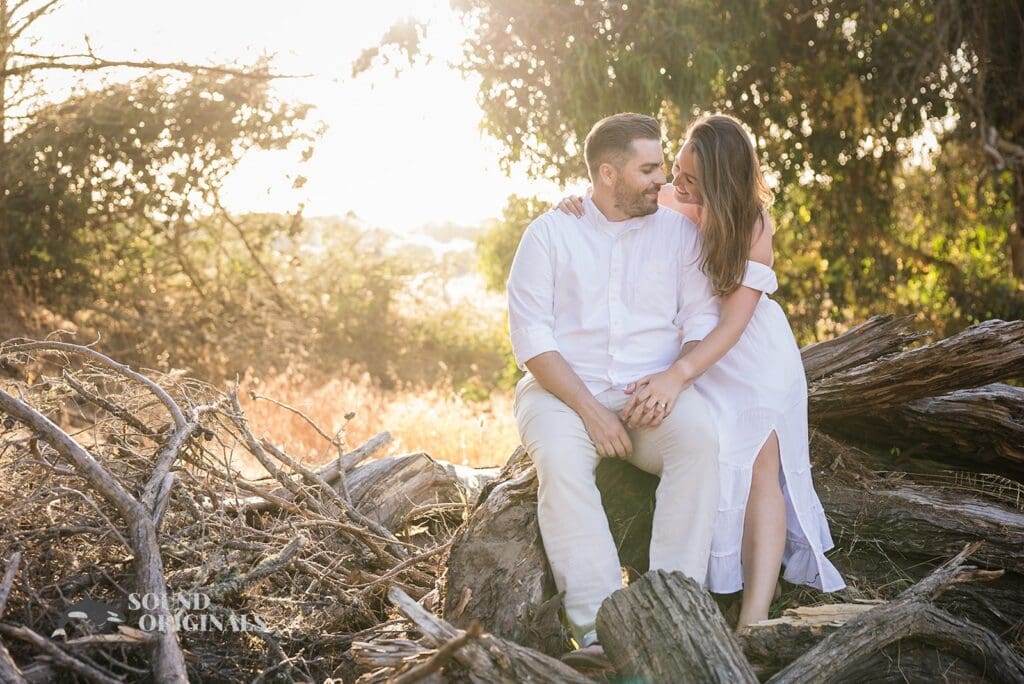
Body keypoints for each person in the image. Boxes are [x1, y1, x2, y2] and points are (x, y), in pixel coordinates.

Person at [556, 113, 846, 631]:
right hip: (690, 352)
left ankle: (754, 615)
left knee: (761, 469)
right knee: (713, 456)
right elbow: (613, 198)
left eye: (690, 179)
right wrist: (575, 202)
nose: (675, 184)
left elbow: (732, 325)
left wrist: (676, 376)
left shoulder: (754, 225)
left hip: (749, 355)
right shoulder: (672, 199)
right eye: (677, 172)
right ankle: (719, 584)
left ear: (722, 180)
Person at [507, 112, 721, 665]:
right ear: (608, 174)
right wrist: (590, 412)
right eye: (649, 169)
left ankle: (671, 610)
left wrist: (672, 380)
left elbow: (700, 320)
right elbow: (531, 342)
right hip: (560, 395)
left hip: (649, 395)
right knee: (559, 460)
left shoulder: (678, 233)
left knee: (698, 441)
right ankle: (600, 633)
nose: (664, 181)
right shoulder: (551, 233)